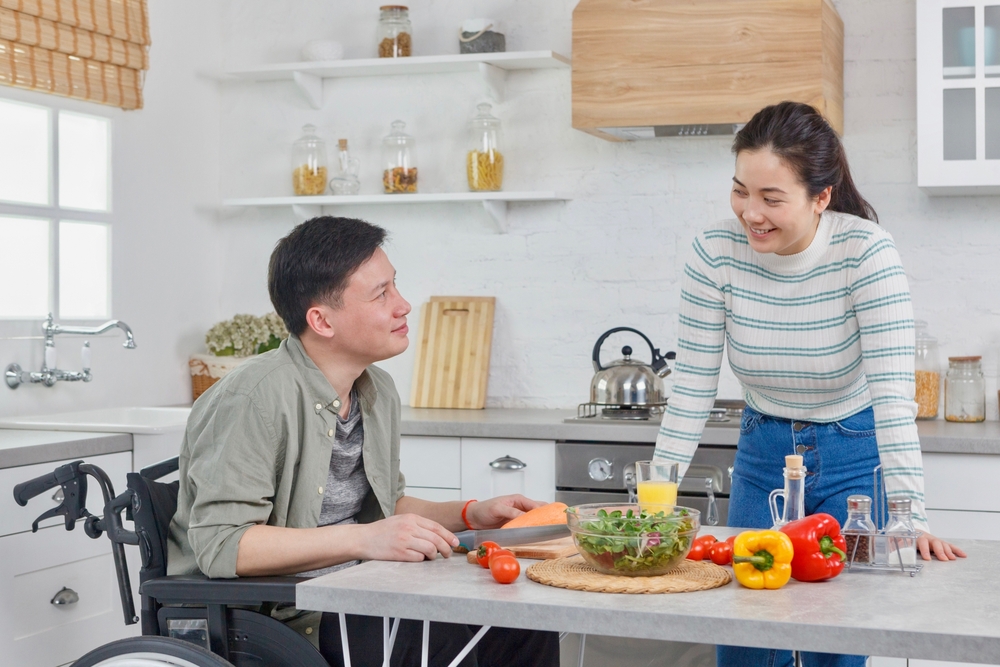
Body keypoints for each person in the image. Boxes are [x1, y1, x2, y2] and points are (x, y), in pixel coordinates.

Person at [652, 101, 966, 667]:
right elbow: (693, 386)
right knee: (747, 637)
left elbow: (894, 395)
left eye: (772, 199)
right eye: (740, 190)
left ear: (821, 197)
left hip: (853, 457)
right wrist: (656, 501)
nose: (751, 212)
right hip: (763, 452)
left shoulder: (866, 253)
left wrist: (909, 516)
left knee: (838, 641)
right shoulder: (714, 254)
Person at [167, 216, 559, 667]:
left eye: (396, 286)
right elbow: (223, 544)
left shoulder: (376, 391)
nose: (404, 305)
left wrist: (470, 514)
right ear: (321, 320)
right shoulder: (252, 399)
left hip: (355, 589)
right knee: (439, 638)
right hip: (273, 614)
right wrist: (362, 540)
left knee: (525, 622)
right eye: (382, 294)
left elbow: (384, 506)